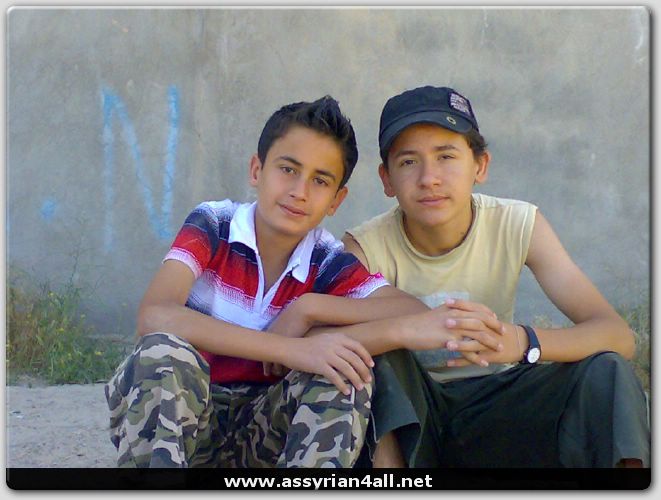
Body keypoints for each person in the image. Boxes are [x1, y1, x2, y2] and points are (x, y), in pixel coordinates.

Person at [103, 95, 443, 468]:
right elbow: (155, 316)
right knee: (161, 353)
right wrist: (290, 349)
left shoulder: (324, 260)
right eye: (288, 169)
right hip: (189, 422)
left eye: (320, 180)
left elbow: (410, 311)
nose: (299, 191)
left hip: (264, 435)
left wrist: (309, 308)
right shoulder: (215, 224)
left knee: (341, 371)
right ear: (256, 170)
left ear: (336, 200)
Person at [338, 85, 650, 468]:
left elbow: (617, 336)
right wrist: (404, 330)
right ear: (386, 179)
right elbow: (328, 345)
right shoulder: (364, 248)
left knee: (607, 372)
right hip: (414, 415)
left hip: (498, 403)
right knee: (370, 363)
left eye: (446, 156)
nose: (429, 178)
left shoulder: (517, 223)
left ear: (480, 166)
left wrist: (521, 341)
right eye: (408, 162)